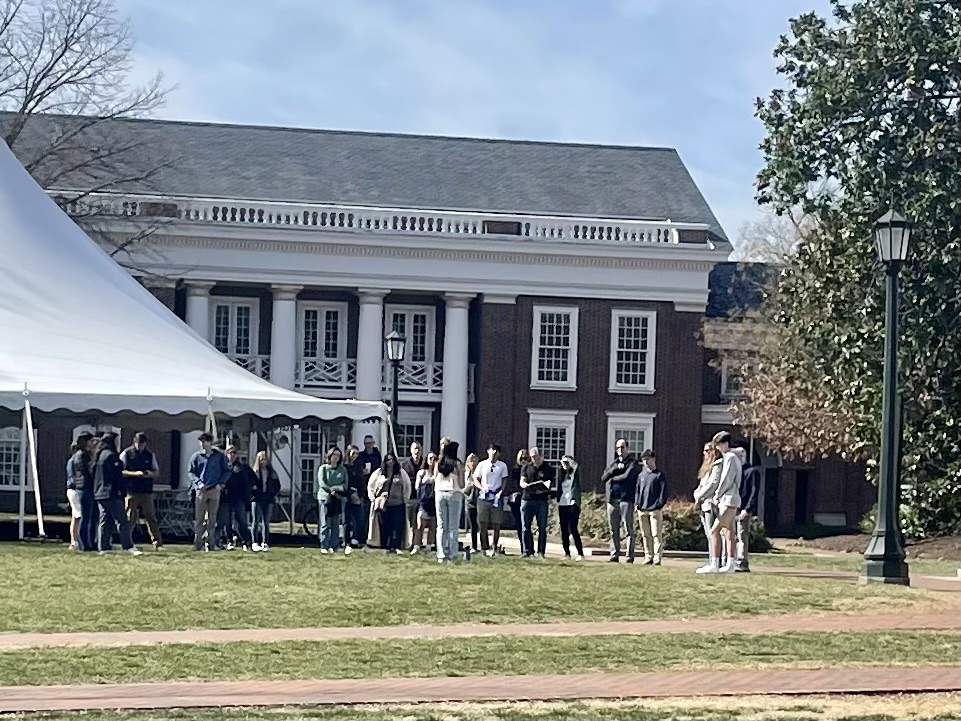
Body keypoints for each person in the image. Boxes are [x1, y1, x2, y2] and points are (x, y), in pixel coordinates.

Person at [697, 431, 742, 574]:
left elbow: (726, 479)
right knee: (729, 532)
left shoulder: (729, 457)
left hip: (728, 500)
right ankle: (730, 564)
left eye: (719, 444)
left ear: (725, 443)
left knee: (714, 530)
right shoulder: (734, 458)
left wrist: (717, 494)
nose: (717, 448)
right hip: (731, 499)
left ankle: (714, 563)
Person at [93, 432, 141, 555]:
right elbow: (117, 477)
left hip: (100, 493)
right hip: (111, 492)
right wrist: (122, 491)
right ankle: (128, 546)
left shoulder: (100, 455)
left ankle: (103, 547)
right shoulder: (111, 456)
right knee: (122, 521)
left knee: (105, 520)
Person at [187, 433, 231, 552]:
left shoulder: (219, 457)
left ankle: (211, 543)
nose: (202, 444)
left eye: (204, 441)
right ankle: (198, 544)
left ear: (210, 442)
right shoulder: (196, 456)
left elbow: (227, 472)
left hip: (214, 490)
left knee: (212, 519)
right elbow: (191, 472)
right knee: (199, 519)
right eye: (200, 442)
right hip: (201, 490)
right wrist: (198, 483)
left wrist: (220, 484)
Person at [120, 432, 163, 551]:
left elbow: (157, 472)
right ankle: (126, 541)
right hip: (131, 490)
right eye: (138, 443)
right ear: (134, 442)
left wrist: (150, 474)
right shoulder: (126, 454)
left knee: (151, 517)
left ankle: (157, 543)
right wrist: (134, 474)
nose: (140, 446)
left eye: (142, 444)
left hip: (146, 491)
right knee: (130, 517)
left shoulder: (150, 455)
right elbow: (120, 471)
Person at [601, 438, 640, 563]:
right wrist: (614, 470)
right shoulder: (614, 463)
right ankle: (614, 553)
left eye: (622, 447)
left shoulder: (632, 463)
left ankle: (629, 555)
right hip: (613, 499)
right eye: (618, 448)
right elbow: (604, 477)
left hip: (626, 499)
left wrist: (613, 477)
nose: (620, 450)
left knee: (628, 528)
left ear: (627, 448)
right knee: (613, 529)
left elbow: (627, 476)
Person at [367, 452, 411, 553]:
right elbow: (371, 486)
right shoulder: (379, 473)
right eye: (388, 460)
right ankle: (384, 545)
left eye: (392, 459)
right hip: (383, 504)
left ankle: (395, 546)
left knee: (397, 525)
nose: (390, 462)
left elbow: (407, 485)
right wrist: (373, 499)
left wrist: (406, 498)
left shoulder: (401, 472)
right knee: (384, 525)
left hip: (398, 503)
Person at [473, 443, 509, 557]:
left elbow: (504, 481)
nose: (493, 453)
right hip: (484, 497)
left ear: (498, 454)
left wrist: (500, 492)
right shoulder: (482, 464)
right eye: (491, 450)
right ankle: (484, 547)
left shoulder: (502, 466)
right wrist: (482, 488)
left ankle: (494, 547)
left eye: (495, 451)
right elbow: (476, 478)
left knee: (496, 524)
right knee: (482, 523)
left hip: (496, 498)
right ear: (488, 451)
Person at [520, 446, 555, 559]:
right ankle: (527, 551)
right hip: (527, 499)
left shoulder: (548, 469)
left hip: (541, 500)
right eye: (532, 457)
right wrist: (524, 484)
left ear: (541, 456)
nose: (534, 459)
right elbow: (522, 481)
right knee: (525, 526)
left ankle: (541, 552)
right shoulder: (526, 467)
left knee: (542, 527)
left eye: (536, 457)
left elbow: (550, 484)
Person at [434, 440, 465, 563]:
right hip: (454, 493)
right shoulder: (457, 464)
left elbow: (434, 476)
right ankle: (452, 553)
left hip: (440, 493)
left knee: (441, 526)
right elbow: (461, 484)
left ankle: (441, 554)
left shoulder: (439, 463)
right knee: (452, 526)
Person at [636, 449, 667, 566]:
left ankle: (657, 557)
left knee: (656, 534)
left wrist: (659, 505)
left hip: (655, 509)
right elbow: (638, 491)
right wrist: (637, 503)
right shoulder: (641, 476)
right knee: (645, 534)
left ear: (653, 459)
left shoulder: (659, 475)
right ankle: (648, 556)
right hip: (642, 509)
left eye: (647, 459)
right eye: (644, 460)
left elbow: (663, 492)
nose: (645, 462)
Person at [693, 443, 724, 564]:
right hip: (704, 504)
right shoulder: (705, 468)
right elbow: (702, 485)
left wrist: (700, 496)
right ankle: (713, 559)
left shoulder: (717, 466)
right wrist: (697, 495)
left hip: (712, 504)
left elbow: (712, 485)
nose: (704, 453)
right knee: (709, 534)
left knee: (713, 533)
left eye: (707, 451)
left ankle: (717, 560)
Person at [223, 445, 255, 551]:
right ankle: (229, 541)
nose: (232, 455)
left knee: (241, 521)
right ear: (226, 454)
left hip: (239, 498)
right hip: (226, 498)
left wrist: (249, 490)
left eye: (234, 453)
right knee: (226, 522)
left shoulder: (243, 468)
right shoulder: (223, 467)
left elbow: (253, 479)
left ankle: (246, 542)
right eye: (230, 453)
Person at [734, 445, 761, 573]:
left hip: (744, 508)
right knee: (733, 535)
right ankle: (732, 559)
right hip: (734, 507)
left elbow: (754, 492)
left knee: (742, 535)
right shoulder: (736, 472)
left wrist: (748, 508)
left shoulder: (752, 471)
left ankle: (742, 561)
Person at [317, 446, 349, 553]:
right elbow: (322, 483)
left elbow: (345, 484)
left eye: (338, 455)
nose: (336, 457)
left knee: (335, 523)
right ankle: (324, 545)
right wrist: (330, 490)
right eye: (334, 455)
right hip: (325, 498)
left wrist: (336, 489)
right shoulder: (323, 468)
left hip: (337, 498)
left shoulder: (342, 469)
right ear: (329, 456)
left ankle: (334, 545)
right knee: (325, 522)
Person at [65, 435, 94, 551]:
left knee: (75, 516)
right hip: (75, 489)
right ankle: (76, 541)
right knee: (79, 516)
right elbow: (73, 477)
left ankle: (74, 541)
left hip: (73, 489)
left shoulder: (73, 458)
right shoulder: (76, 459)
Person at [251, 449, 280, 552]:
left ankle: (265, 542)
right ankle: (254, 542)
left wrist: (272, 494)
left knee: (266, 522)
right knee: (255, 521)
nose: (263, 462)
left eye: (265, 459)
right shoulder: (254, 472)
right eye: (261, 459)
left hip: (268, 499)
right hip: (257, 499)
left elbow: (277, 486)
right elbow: (250, 486)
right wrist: (255, 493)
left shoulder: (272, 473)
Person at [556, 454, 585, 561]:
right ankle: (567, 553)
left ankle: (580, 553)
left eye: (566, 463)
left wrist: (570, 461)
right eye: (563, 463)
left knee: (572, 528)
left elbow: (576, 467)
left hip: (573, 503)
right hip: (562, 504)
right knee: (564, 530)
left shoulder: (575, 475)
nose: (565, 465)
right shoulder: (561, 475)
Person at [410, 451, 437, 554]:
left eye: (434, 459)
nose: (432, 461)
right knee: (420, 525)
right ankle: (417, 545)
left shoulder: (438, 473)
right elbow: (417, 486)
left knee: (432, 525)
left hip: (433, 501)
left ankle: (429, 546)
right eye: (430, 458)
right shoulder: (422, 472)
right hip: (423, 501)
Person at [504, 449, 528, 552]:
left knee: (526, 524)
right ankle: (522, 546)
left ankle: (528, 547)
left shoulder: (530, 469)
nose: (523, 460)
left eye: (525, 458)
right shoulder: (515, 470)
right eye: (521, 458)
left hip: (527, 497)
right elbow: (513, 484)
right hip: (516, 499)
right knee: (519, 523)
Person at [342, 444, 366, 553]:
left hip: (358, 495)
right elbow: (345, 482)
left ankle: (358, 539)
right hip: (347, 495)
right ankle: (346, 541)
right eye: (352, 453)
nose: (354, 455)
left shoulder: (359, 465)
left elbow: (361, 481)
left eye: (356, 453)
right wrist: (350, 492)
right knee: (347, 520)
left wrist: (360, 494)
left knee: (359, 519)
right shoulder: (345, 467)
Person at [400, 442, 423, 540]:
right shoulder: (404, 465)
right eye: (415, 449)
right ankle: (407, 541)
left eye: (418, 449)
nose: (417, 451)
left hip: (422, 498)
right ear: (411, 450)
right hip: (409, 497)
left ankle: (416, 541)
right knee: (408, 521)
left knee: (419, 522)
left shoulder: (424, 464)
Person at [462, 453, 480, 552]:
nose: (473, 463)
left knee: (480, 524)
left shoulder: (479, 473)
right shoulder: (465, 474)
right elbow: (462, 488)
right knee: (472, 524)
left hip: (479, 500)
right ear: (467, 463)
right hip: (469, 501)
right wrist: (470, 485)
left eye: (475, 461)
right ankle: (474, 546)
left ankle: (483, 546)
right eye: (471, 461)